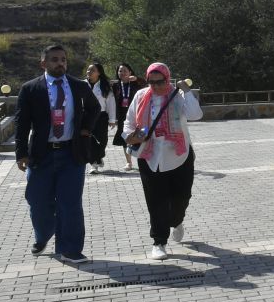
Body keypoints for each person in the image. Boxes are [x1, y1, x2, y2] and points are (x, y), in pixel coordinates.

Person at [15, 44, 100, 263]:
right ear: (43, 63)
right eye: (54, 59)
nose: (60, 63)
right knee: (38, 202)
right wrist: (21, 153)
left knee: (70, 204)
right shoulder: (30, 89)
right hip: (41, 155)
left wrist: (86, 129)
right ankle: (43, 234)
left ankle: (70, 249)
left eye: (63, 59)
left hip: (71, 154)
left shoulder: (78, 85)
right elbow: (21, 123)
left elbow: (94, 107)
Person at [123, 62, 202, 260]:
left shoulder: (178, 96)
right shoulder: (141, 96)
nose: (156, 86)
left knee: (182, 196)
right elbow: (129, 122)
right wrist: (130, 136)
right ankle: (159, 242)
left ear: (167, 79)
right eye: (152, 82)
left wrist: (186, 91)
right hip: (150, 156)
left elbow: (195, 115)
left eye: (160, 82)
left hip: (179, 155)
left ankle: (177, 220)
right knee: (156, 201)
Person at [111, 63, 144, 172]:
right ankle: (129, 162)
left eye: (125, 70)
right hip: (122, 117)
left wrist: (137, 79)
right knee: (126, 138)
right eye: (120, 71)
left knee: (141, 136)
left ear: (130, 72)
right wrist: (113, 118)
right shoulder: (115, 86)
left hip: (138, 115)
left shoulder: (136, 83)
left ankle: (142, 160)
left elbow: (146, 84)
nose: (122, 73)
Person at [85, 63, 117, 174]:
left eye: (92, 70)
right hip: (87, 116)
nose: (89, 72)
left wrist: (112, 120)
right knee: (89, 140)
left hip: (101, 117)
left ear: (99, 73)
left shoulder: (105, 86)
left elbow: (111, 103)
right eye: (88, 70)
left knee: (102, 140)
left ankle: (99, 156)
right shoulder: (82, 85)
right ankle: (94, 164)